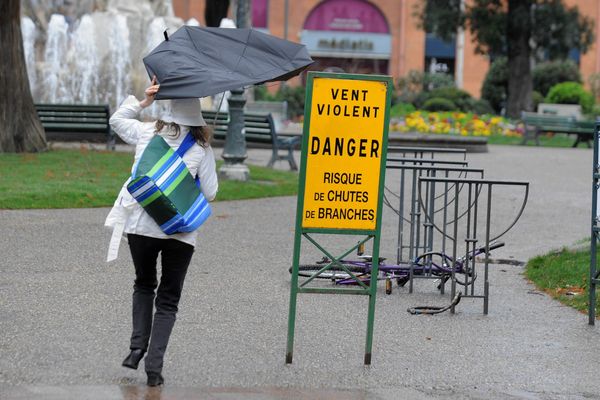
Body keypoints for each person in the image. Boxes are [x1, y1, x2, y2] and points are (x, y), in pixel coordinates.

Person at [105, 77, 218, 387]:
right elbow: (210, 192)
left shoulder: (145, 134)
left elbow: (117, 120)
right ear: (197, 115)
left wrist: (143, 102)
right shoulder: (201, 148)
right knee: (168, 300)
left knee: (143, 284)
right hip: (179, 234)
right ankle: (154, 368)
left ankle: (135, 348)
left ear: (167, 110)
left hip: (141, 225)